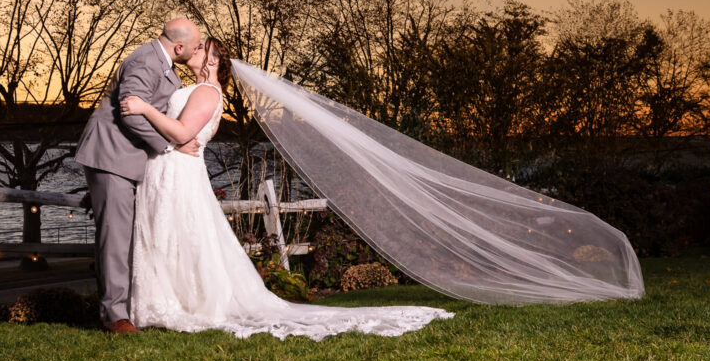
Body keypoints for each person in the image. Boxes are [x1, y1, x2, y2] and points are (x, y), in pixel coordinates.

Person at [119, 36, 454, 341]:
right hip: (168, 171)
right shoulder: (193, 88)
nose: (193, 50)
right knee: (172, 236)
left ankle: (180, 304)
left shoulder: (207, 92)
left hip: (179, 174)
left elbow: (180, 133)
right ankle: (165, 301)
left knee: (181, 236)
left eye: (201, 48)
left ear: (212, 61)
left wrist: (144, 108)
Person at [74, 18, 204, 334]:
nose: (198, 50)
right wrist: (170, 146)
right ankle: (114, 316)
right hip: (112, 155)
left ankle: (125, 307)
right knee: (116, 239)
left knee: (126, 237)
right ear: (179, 47)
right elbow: (129, 112)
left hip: (125, 159)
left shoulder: (161, 63)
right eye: (196, 45)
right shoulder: (146, 61)